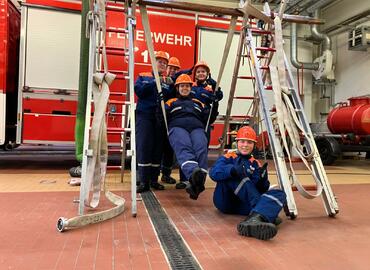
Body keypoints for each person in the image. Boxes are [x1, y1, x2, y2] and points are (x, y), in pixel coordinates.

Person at [209, 126, 286, 240]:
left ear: (254, 145)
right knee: (236, 174)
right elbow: (213, 173)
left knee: (279, 193)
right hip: (225, 200)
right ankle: (264, 213)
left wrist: (263, 180)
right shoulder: (227, 157)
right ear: (237, 142)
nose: (245, 145)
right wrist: (232, 171)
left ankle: (254, 220)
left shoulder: (255, 164)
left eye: (249, 142)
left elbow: (258, 189)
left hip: (244, 204)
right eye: (242, 141)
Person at [134, 51, 174, 193]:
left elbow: (173, 98)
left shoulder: (168, 82)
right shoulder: (143, 76)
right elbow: (139, 91)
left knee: (157, 149)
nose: (162, 64)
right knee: (145, 146)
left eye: (165, 63)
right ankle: (143, 181)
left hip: (160, 118)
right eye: (160, 61)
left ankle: (153, 180)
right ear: (153, 62)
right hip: (145, 116)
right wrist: (155, 81)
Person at [164, 74, 209, 200]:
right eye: (182, 86)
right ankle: (193, 173)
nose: (185, 88)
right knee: (184, 146)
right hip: (178, 127)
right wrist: (159, 103)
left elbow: (208, 118)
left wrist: (214, 104)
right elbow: (161, 117)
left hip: (197, 127)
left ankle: (198, 183)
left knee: (201, 147)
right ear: (177, 88)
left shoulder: (198, 103)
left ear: (191, 88)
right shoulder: (171, 102)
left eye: (187, 86)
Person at [159, 57, 182, 185]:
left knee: (169, 147)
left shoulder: (177, 83)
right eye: (171, 68)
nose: (173, 70)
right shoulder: (160, 80)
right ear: (166, 68)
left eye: (175, 69)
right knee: (157, 147)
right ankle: (153, 175)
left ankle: (166, 174)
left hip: (172, 119)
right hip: (159, 118)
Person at [191, 60, 223, 145]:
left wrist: (216, 86)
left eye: (203, 71)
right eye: (198, 72)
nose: (200, 73)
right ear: (195, 74)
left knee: (203, 144)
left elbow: (220, 96)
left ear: (207, 74)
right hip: (191, 119)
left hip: (204, 121)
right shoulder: (190, 86)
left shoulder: (210, 90)